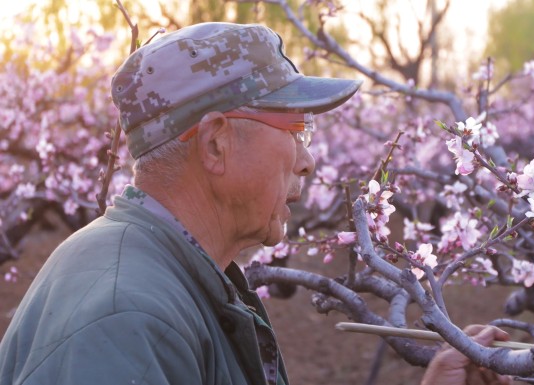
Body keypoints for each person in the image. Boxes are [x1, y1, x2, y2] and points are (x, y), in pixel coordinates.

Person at [0, 22, 508, 385]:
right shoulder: (127, 322)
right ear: (217, 143)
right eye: (296, 129)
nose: (307, 160)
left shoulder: (157, 275)